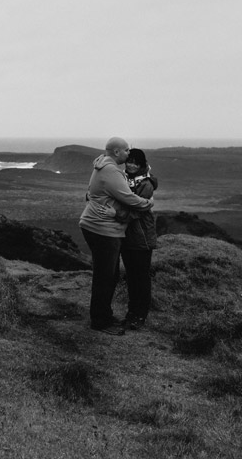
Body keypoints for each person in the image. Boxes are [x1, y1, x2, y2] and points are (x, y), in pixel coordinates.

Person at [78, 137, 154, 335]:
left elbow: (93, 193)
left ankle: (103, 315)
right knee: (106, 276)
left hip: (99, 226)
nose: (129, 154)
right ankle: (101, 320)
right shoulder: (111, 171)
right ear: (117, 152)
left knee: (107, 275)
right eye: (127, 151)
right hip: (103, 229)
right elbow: (128, 198)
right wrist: (148, 204)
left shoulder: (104, 166)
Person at [119, 148, 158, 330]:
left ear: (142, 164)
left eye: (135, 162)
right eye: (129, 161)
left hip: (141, 236)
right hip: (127, 236)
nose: (131, 165)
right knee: (132, 277)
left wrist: (116, 215)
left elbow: (137, 209)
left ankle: (140, 316)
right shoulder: (123, 179)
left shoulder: (146, 183)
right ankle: (131, 314)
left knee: (141, 277)